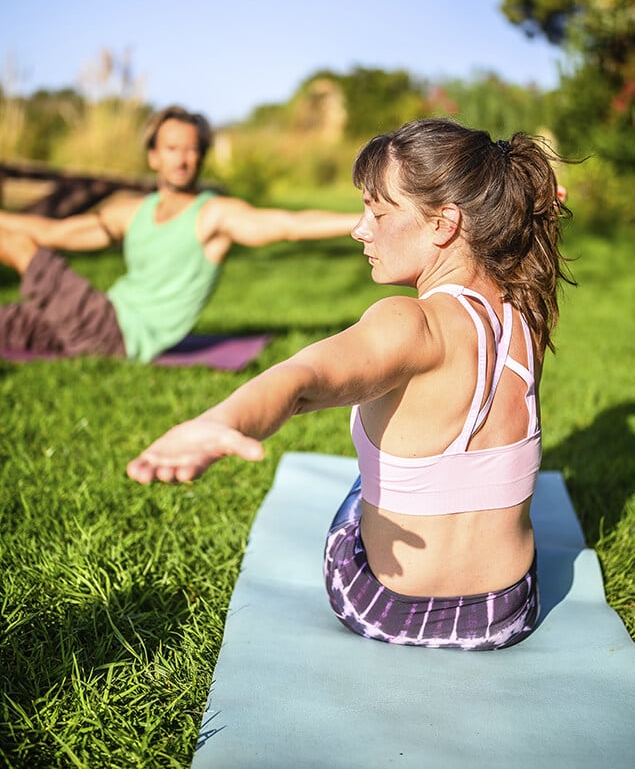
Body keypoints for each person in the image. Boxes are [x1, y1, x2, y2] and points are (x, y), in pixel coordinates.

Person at [127, 118, 574, 650]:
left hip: (388, 609)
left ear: (445, 223)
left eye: (379, 211)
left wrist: (217, 421)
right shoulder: (530, 307)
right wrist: (527, 199)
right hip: (507, 611)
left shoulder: (408, 324)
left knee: (368, 479)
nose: (360, 229)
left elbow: (301, 378)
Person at [0, 105, 359, 362]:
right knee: (9, 323)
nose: (182, 159)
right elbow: (56, 232)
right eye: (172, 149)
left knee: (15, 246)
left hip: (119, 335)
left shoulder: (212, 215)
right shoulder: (133, 213)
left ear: (201, 158)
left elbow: (288, 226)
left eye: (192, 150)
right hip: (101, 315)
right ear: (153, 157)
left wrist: (361, 219)